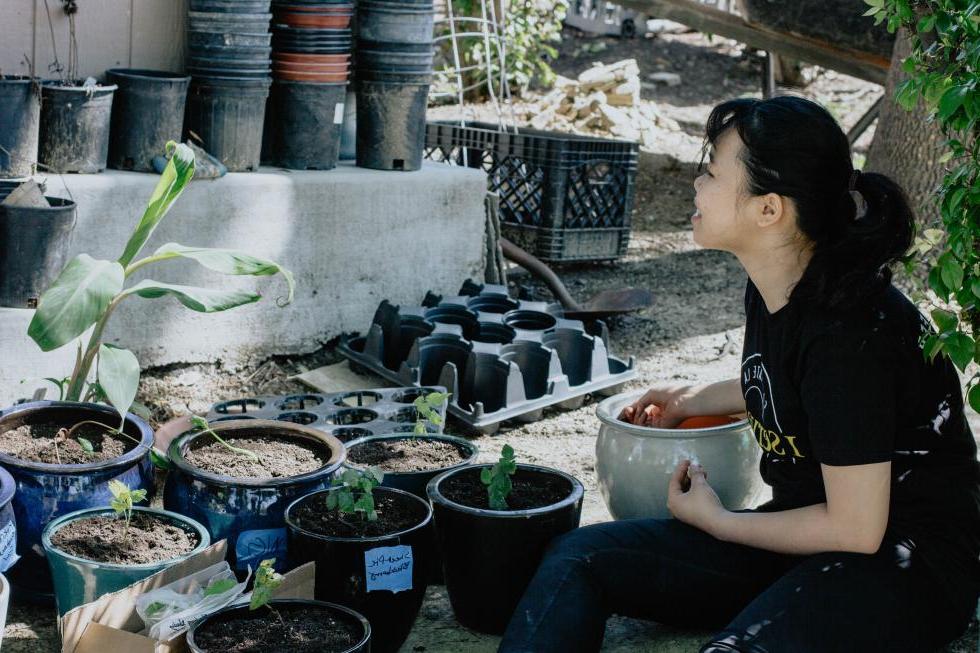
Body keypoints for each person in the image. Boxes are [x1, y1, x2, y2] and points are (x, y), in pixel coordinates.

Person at [497, 95, 980, 653]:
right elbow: (793, 388)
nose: (696, 187)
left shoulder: (851, 335)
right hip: (802, 535)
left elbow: (857, 528)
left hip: (904, 567)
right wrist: (691, 399)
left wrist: (719, 521)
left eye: (709, 173)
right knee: (579, 557)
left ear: (768, 209)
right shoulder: (780, 282)